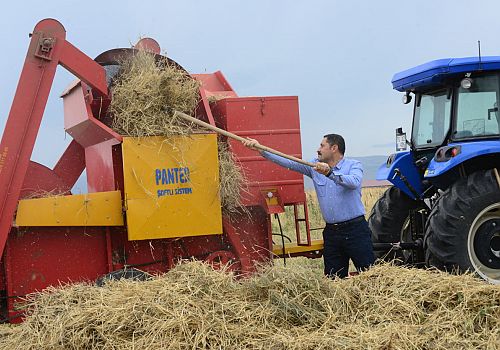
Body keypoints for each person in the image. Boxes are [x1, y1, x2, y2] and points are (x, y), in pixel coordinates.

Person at [243, 134, 375, 278]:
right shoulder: (314, 167)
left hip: (355, 230)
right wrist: (261, 149)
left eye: (322, 146)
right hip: (332, 232)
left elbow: (354, 182)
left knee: (368, 274)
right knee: (334, 279)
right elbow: (289, 162)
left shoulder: (354, 165)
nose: (318, 149)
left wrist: (330, 173)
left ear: (334, 148)